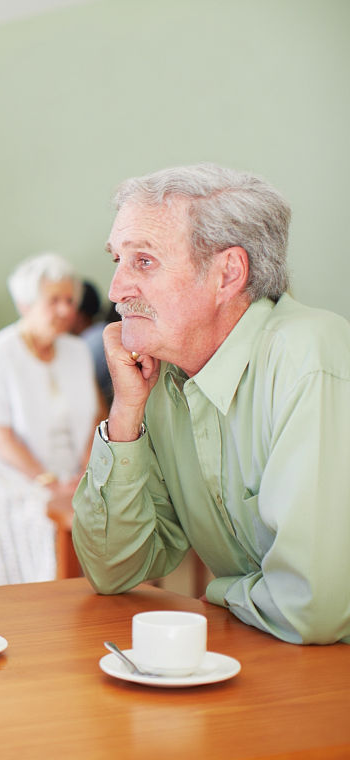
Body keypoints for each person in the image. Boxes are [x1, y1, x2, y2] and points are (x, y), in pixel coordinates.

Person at [73, 163, 350, 645]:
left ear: (228, 274)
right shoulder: (159, 378)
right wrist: (125, 415)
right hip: (265, 660)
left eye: (143, 262)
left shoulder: (311, 356)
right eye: (116, 260)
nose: (116, 290)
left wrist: (220, 591)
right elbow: (113, 570)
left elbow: (312, 611)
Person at [0, 253, 99, 588]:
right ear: (26, 303)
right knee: (42, 516)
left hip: (72, 474)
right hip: (12, 473)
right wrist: (49, 483)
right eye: (53, 300)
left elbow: (95, 418)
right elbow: (1, 437)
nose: (65, 310)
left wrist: (85, 473)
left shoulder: (77, 350)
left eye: (69, 300)